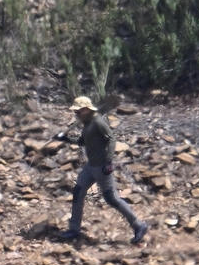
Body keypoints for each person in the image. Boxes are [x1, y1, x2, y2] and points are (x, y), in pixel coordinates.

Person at [55, 96, 148, 244]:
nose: (76, 114)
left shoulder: (98, 122)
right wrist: (65, 139)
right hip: (90, 166)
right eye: (76, 111)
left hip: (102, 167)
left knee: (111, 198)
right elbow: (82, 141)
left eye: (78, 111)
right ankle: (74, 229)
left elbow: (111, 139)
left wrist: (108, 161)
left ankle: (139, 225)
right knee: (78, 192)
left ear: (86, 110)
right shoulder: (87, 123)